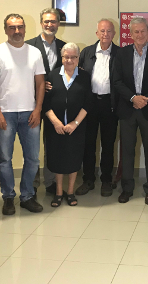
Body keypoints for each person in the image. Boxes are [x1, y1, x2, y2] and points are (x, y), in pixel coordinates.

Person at [0, 13, 46, 215]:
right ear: (5, 30)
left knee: (33, 159)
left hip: (30, 113)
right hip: (6, 114)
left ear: (25, 29)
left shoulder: (35, 53)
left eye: (20, 27)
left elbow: (40, 84)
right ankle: (8, 197)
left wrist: (37, 109)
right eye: (12, 27)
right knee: (5, 159)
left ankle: (27, 196)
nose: (17, 31)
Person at [113, 18, 148, 205]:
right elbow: (116, 81)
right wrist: (133, 98)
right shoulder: (122, 53)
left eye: (143, 31)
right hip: (128, 109)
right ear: (130, 34)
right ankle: (127, 188)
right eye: (136, 32)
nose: (140, 35)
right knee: (127, 151)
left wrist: (144, 99)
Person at [43, 43, 92, 207]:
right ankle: (58, 192)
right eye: (66, 57)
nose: (69, 60)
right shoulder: (52, 75)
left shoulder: (84, 77)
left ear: (78, 58)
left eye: (73, 57)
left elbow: (88, 103)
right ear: (62, 57)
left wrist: (75, 123)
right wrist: (56, 122)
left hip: (76, 127)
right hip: (55, 127)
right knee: (57, 158)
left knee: (74, 158)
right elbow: (45, 102)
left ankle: (70, 192)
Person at [75, 19, 119, 196]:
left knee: (108, 144)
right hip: (90, 104)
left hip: (110, 104)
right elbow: (77, 75)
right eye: (102, 31)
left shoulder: (120, 53)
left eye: (109, 31)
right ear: (97, 33)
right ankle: (88, 179)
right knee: (88, 143)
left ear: (114, 34)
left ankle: (106, 180)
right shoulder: (87, 52)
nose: (105, 34)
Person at [26, 8, 67, 197]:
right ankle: (31, 184)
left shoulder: (64, 47)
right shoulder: (29, 46)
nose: (50, 25)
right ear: (41, 23)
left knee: (52, 144)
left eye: (53, 21)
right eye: (46, 21)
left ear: (58, 23)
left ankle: (50, 182)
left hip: (55, 103)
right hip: (32, 102)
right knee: (32, 146)